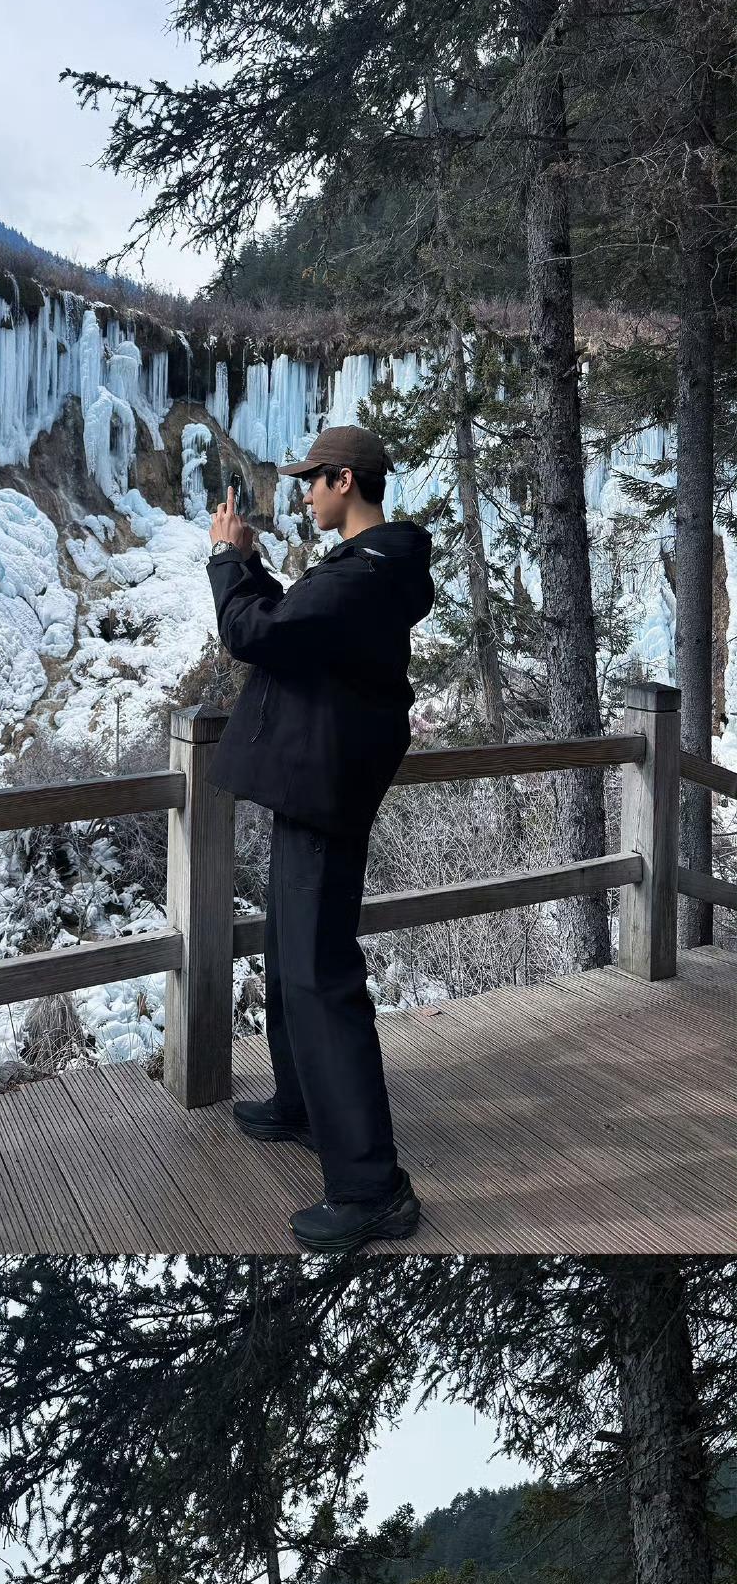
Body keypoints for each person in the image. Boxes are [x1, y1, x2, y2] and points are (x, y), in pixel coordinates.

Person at [206, 426, 435, 1246]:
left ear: (347, 480)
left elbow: (256, 634)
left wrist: (228, 560)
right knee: (290, 953)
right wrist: (253, 570)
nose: (304, 493)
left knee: (320, 976)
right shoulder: (366, 571)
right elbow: (294, 623)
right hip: (314, 784)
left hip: (322, 791)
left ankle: (373, 1187)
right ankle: (303, 1104)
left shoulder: (366, 572)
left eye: (312, 481)